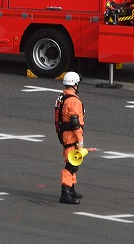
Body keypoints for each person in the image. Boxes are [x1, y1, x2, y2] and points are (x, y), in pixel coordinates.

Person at [53, 71, 85, 205]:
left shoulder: (62, 97)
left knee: (74, 163)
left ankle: (71, 189)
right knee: (71, 164)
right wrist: (80, 140)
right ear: (75, 85)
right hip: (71, 136)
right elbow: (75, 122)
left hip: (65, 135)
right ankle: (65, 192)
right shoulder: (73, 101)